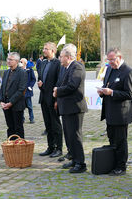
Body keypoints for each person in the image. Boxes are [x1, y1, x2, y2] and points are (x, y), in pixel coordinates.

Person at [97, 48, 132, 176]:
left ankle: (121, 166)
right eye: (108, 60)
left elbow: (130, 94)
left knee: (120, 141)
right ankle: (113, 163)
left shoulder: (128, 71)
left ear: (119, 57)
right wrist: (102, 92)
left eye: (112, 60)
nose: (110, 62)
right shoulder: (109, 69)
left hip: (121, 113)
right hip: (109, 111)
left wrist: (112, 92)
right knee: (112, 139)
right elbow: (107, 85)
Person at [53, 44, 88, 173]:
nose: (59, 58)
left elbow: (72, 85)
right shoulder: (66, 67)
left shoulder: (77, 67)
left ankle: (81, 163)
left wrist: (58, 91)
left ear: (68, 57)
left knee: (75, 135)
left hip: (75, 107)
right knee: (69, 135)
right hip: (66, 107)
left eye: (61, 56)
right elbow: (62, 83)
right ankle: (74, 159)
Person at [38, 42, 63, 158]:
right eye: (44, 48)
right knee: (48, 124)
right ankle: (50, 147)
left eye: (46, 49)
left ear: (53, 51)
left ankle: (59, 148)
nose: (44, 50)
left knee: (55, 124)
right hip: (43, 97)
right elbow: (41, 77)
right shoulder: (43, 63)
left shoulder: (58, 64)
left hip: (53, 98)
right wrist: (39, 83)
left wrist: (57, 99)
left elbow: (59, 81)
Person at [0, 52, 27, 139]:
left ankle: (19, 149)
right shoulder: (6, 72)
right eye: (8, 59)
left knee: (18, 128)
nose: (8, 61)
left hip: (16, 105)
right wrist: (1, 101)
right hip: (6, 104)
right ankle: (11, 148)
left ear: (16, 61)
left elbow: (21, 90)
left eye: (11, 59)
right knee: (10, 127)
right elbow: (2, 88)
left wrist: (11, 102)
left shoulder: (22, 72)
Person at [20, 58, 36, 124]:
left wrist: (30, 86)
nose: (20, 63)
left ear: (25, 63)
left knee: (29, 106)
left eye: (21, 62)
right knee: (21, 106)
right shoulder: (19, 70)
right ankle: (22, 119)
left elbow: (33, 79)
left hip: (28, 90)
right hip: (21, 91)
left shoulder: (30, 70)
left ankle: (31, 118)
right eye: (20, 61)